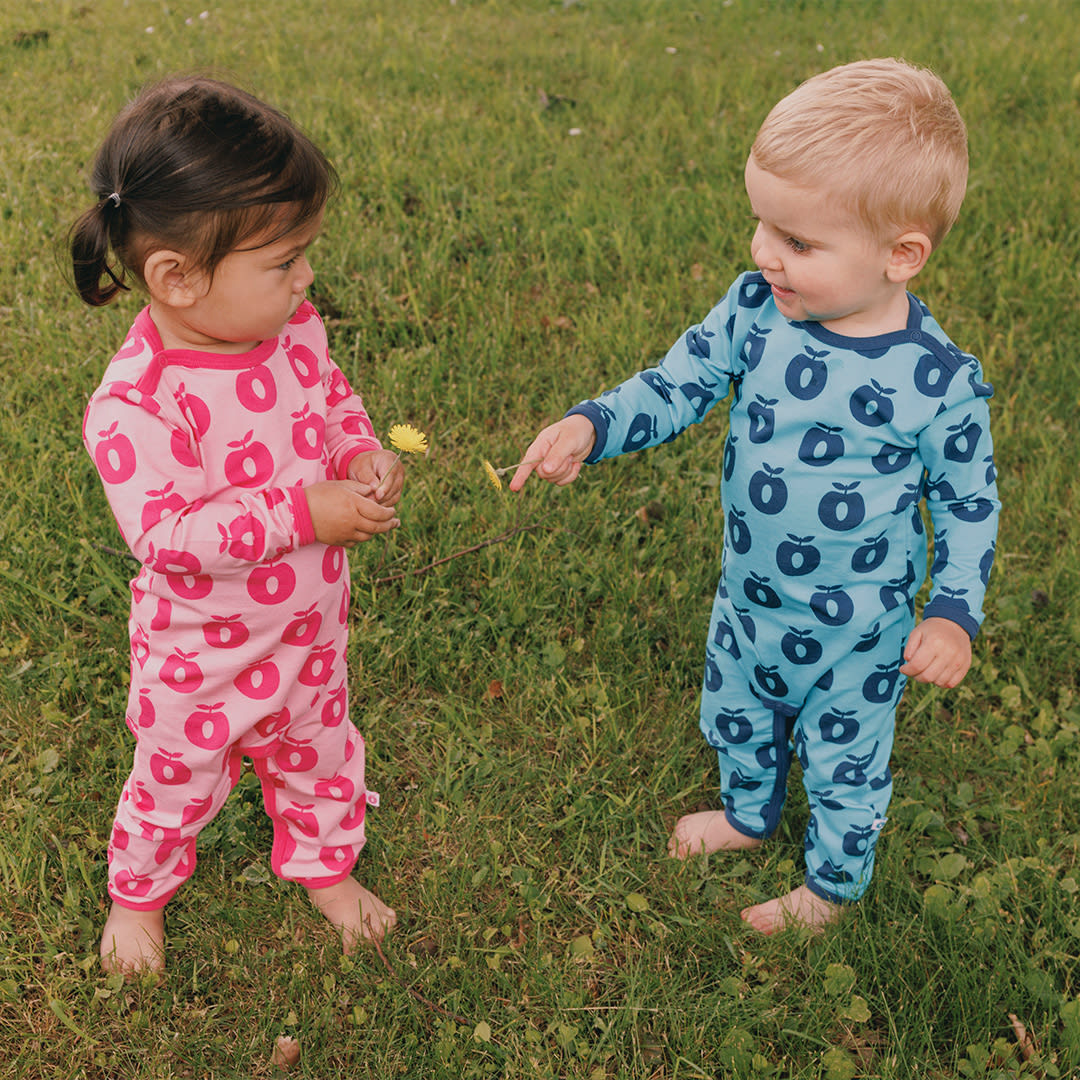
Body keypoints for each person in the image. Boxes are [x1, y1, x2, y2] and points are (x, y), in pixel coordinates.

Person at [510, 58, 999, 934]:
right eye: (763, 224)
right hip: (751, 596)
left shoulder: (935, 383)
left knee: (846, 761)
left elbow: (968, 504)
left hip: (861, 627)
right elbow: (676, 385)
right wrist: (592, 424)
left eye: (798, 243)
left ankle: (831, 889)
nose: (763, 253)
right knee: (737, 709)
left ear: (902, 253)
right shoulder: (755, 313)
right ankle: (747, 813)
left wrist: (954, 612)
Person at [72, 76, 401, 972]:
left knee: (320, 754)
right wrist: (303, 512)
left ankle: (327, 868)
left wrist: (358, 453)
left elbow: (333, 404)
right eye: (285, 261)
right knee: (174, 782)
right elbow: (170, 534)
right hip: (199, 656)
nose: (307, 278)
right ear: (176, 277)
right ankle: (138, 896)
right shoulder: (139, 403)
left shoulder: (295, 330)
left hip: (304, 628)